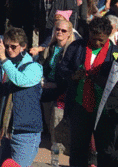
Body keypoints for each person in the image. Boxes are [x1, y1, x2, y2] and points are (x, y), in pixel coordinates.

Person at [57, 16, 118, 167]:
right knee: (78, 149)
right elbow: (62, 68)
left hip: (104, 111)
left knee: (106, 151)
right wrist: (72, 75)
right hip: (80, 106)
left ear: (108, 35)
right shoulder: (77, 47)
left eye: (100, 39)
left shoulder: (115, 52)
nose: (96, 42)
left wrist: (101, 80)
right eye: (93, 37)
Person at [0, 28, 43, 167]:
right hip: (5, 129)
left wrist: (3, 59)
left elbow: (19, 79)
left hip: (25, 132)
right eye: (6, 46)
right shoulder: (6, 64)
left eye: (13, 46)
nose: (9, 50)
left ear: (23, 46)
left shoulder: (34, 67)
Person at [29, 18, 76, 163]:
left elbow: (70, 74)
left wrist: (55, 85)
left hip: (61, 89)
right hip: (47, 84)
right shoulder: (51, 47)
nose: (60, 32)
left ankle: (55, 152)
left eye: (63, 31)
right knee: (48, 121)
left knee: (55, 119)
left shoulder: (71, 50)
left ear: (69, 33)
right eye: (57, 30)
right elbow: (43, 65)